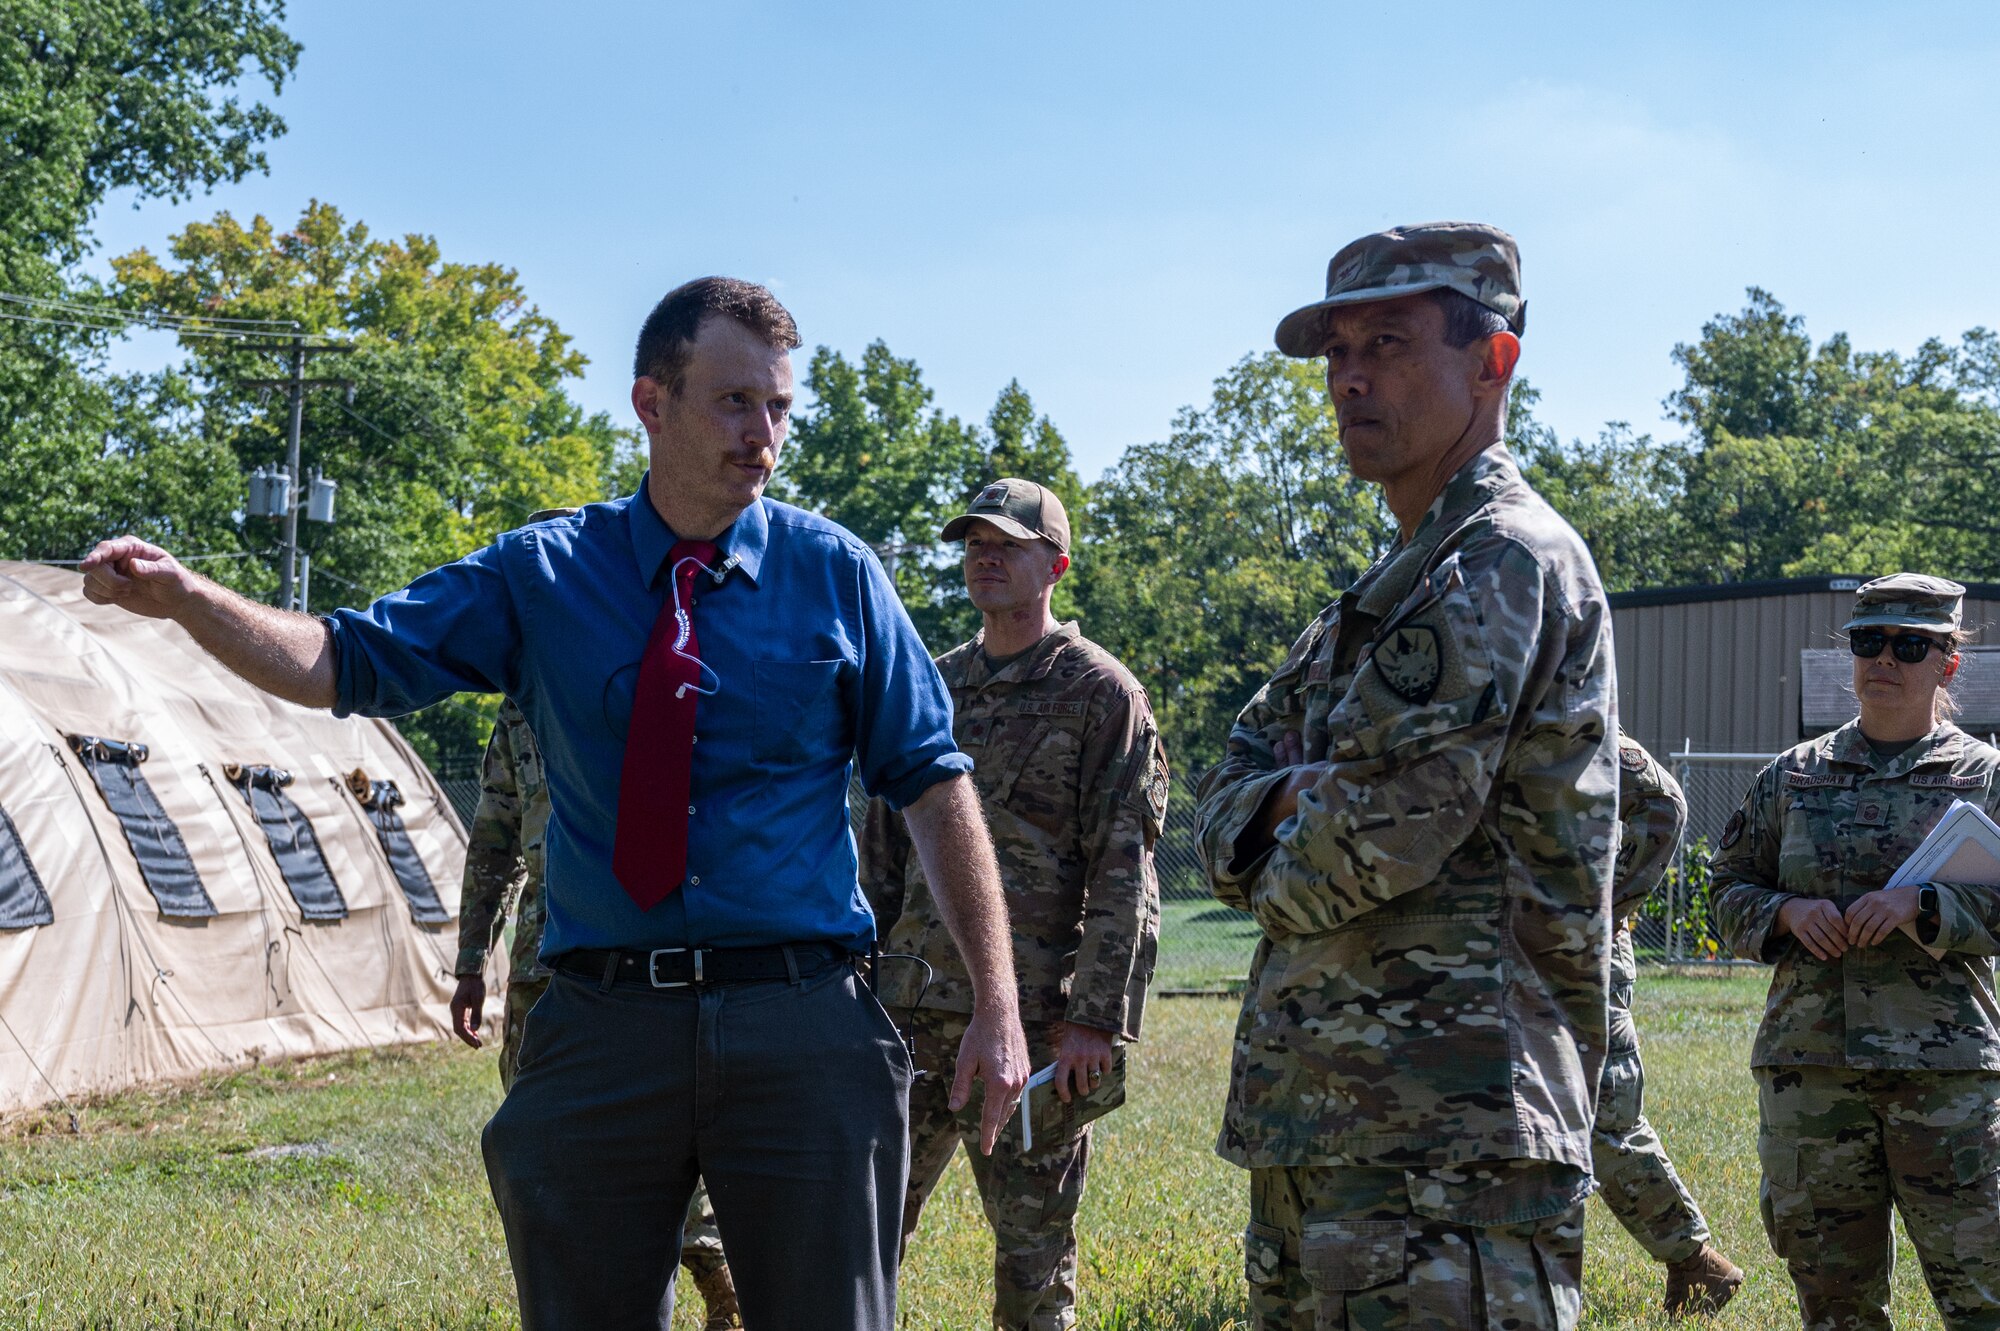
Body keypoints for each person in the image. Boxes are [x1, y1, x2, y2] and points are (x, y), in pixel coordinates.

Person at [78, 276, 1031, 1331]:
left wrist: (995, 999)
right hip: (603, 1026)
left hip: (800, 1021)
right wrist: (187, 596)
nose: (762, 435)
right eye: (731, 402)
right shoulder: (543, 574)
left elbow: (934, 784)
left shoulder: (835, 575)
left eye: (778, 408)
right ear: (650, 402)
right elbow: (340, 660)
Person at [1193, 221, 1618, 1331]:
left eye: (1387, 341)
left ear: (1493, 359)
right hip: (1330, 1128)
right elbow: (1224, 789)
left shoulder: (1501, 561)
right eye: (1335, 353)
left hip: (1450, 1143)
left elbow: (1366, 842)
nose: (1349, 377)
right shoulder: (1391, 585)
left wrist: (1287, 815)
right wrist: (1290, 796)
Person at [859, 479, 1166, 1331]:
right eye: (972, 542)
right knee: (858, 1245)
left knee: (1033, 1274)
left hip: (1032, 1030)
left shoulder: (1101, 694)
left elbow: (1124, 867)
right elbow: (880, 853)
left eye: (1008, 542)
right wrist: (858, 992)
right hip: (910, 1014)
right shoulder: (931, 684)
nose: (984, 555)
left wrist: (1095, 1020)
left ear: (1056, 564)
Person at [1711, 573, 2000, 1331]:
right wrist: (1785, 912)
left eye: (1911, 644)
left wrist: (1927, 904)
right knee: (1836, 1308)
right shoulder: (1793, 775)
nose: (1886, 659)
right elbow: (1727, 887)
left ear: (1948, 662)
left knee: (1983, 1295)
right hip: (1813, 1074)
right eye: (1870, 641)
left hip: (1947, 1081)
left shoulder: (1986, 779)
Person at [451, 689, 740, 1330]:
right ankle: (571, 1293)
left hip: (645, 949)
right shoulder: (522, 704)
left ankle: (718, 1279)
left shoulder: (658, 675)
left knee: (664, 1128)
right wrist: (473, 959)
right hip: (543, 961)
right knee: (541, 1142)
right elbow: (495, 834)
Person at [1598, 733, 1743, 1318]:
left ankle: (1695, 1260)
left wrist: (1599, 912)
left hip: (1575, 957)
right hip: (1479, 948)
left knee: (1600, 1118)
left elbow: (1661, 800)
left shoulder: (1547, 687)